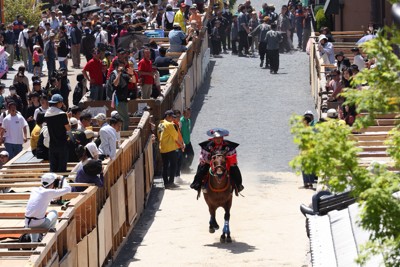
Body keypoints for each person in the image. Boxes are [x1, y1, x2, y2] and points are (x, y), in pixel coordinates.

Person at [190, 128, 244, 194]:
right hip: (209, 162)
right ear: (213, 138)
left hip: (225, 163)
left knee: (235, 168)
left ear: (222, 138)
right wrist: (210, 162)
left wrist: (226, 161)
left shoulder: (229, 146)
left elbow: (232, 155)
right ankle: (197, 184)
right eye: (216, 138)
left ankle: (238, 185)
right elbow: (203, 157)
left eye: (220, 137)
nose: (218, 139)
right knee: (201, 168)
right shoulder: (207, 146)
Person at [25, 173, 71, 242]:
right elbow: (68, 189)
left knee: (36, 219)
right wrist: (63, 178)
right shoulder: (49, 192)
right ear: (52, 183)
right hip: (39, 223)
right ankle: (49, 238)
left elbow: (41, 199)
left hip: (27, 223)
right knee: (54, 213)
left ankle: (34, 242)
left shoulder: (34, 190)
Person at [44, 94, 71, 172]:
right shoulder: (62, 114)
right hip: (62, 144)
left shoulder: (47, 114)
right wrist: (68, 117)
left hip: (52, 144)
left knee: (53, 168)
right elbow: (68, 128)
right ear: (59, 103)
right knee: (61, 168)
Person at [157, 110, 179, 188]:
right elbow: (175, 135)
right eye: (171, 117)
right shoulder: (169, 125)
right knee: (173, 164)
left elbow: (159, 135)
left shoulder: (160, 124)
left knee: (165, 165)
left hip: (162, 148)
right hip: (170, 147)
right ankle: (171, 182)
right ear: (167, 116)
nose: (172, 118)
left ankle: (166, 183)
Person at [180, 107, 194, 172]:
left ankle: (186, 167)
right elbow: (179, 132)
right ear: (183, 113)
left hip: (188, 141)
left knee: (191, 154)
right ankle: (184, 169)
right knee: (183, 157)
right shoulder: (181, 121)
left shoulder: (189, 121)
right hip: (182, 142)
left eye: (189, 113)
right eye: (187, 113)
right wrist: (182, 142)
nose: (188, 114)